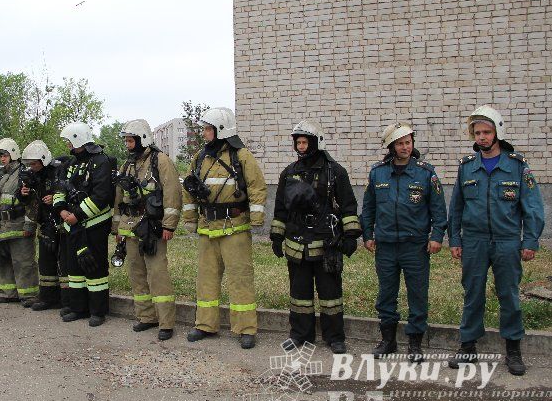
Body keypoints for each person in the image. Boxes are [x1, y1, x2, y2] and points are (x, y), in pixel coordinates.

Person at [448, 105, 545, 375]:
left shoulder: (516, 166)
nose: (482, 137)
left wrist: (530, 241)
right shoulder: (467, 168)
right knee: (473, 294)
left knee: (509, 295)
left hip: (507, 241)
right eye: (477, 132)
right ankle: (468, 347)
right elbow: (456, 207)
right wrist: (455, 239)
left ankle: (513, 350)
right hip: (475, 242)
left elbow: (533, 206)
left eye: (487, 132)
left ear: (497, 132)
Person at [269, 120, 361, 354]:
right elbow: (280, 207)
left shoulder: (335, 171)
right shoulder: (288, 173)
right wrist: (277, 236)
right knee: (299, 294)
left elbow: (349, 205)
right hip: (296, 243)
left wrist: (350, 235)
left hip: (326, 243)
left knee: (330, 295)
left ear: (316, 142)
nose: (301, 147)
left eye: (304, 142)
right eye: (297, 142)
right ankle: (300, 334)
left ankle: (334, 337)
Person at [360, 123, 447, 362]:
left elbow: (439, 210)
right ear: (391, 146)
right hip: (386, 246)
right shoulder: (378, 173)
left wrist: (437, 236)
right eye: (400, 143)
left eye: (408, 142)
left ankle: (415, 344)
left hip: (415, 246)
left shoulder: (425, 172)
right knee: (386, 295)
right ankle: (388, 341)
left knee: (417, 295)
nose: (405, 147)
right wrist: (367, 234)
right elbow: (368, 208)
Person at [182, 107, 267, 350]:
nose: (205, 134)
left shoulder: (242, 157)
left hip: (235, 228)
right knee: (206, 279)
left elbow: (257, 187)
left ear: (221, 131)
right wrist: (190, 219)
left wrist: (257, 218)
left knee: (240, 279)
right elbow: (188, 189)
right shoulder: (199, 157)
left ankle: (245, 329)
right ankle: (205, 325)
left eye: (208, 129)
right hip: (208, 228)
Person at [112, 119, 183, 341]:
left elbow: (173, 194)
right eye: (126, 141)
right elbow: (119, 199)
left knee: (157, 274)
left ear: (143, 139)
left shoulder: (161, 162)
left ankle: (166, 323)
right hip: (130, 226)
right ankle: (146, 317)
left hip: (152, 227)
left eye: (130, 140)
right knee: (137, 274)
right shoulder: (127, 165)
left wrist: (169, 225)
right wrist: (117, 228)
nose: (128, 145)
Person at [53, 123, 115, 326]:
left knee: (94, 268)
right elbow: (59, 189)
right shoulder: (70, 163)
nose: (68, 144)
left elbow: (101, 195)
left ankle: (98, 311)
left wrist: (77, 215)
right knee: (75, 269)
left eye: (70, 140)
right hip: (72, 224)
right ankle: (78, 308)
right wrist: (61, 210)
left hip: (94, 224)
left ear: (78, 138)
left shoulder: (101, 162)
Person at [0, 138, 39, 307]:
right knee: (4, 260)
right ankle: (9, 293)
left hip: (19, 225)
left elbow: (32, 203)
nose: (2, 158)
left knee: (23, 262)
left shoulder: (24, 173)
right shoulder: (3, 174)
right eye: (0, 155)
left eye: (4, 154)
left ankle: (29, 295)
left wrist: (29, 225)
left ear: (13, 153)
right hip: (4, 226)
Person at [21, 140, 69, 312]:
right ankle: (48, 298)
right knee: (46, 262)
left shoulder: (58, 170)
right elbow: (26, 201)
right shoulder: (32, 175)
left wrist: (55, 197)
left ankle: (67, 301)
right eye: (30, 164)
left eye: (34, 164)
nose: (32, 167)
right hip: (44, 223)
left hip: (60, 223)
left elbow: (68, 190)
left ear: (43, 159)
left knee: (64, 263)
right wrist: (23, 193)